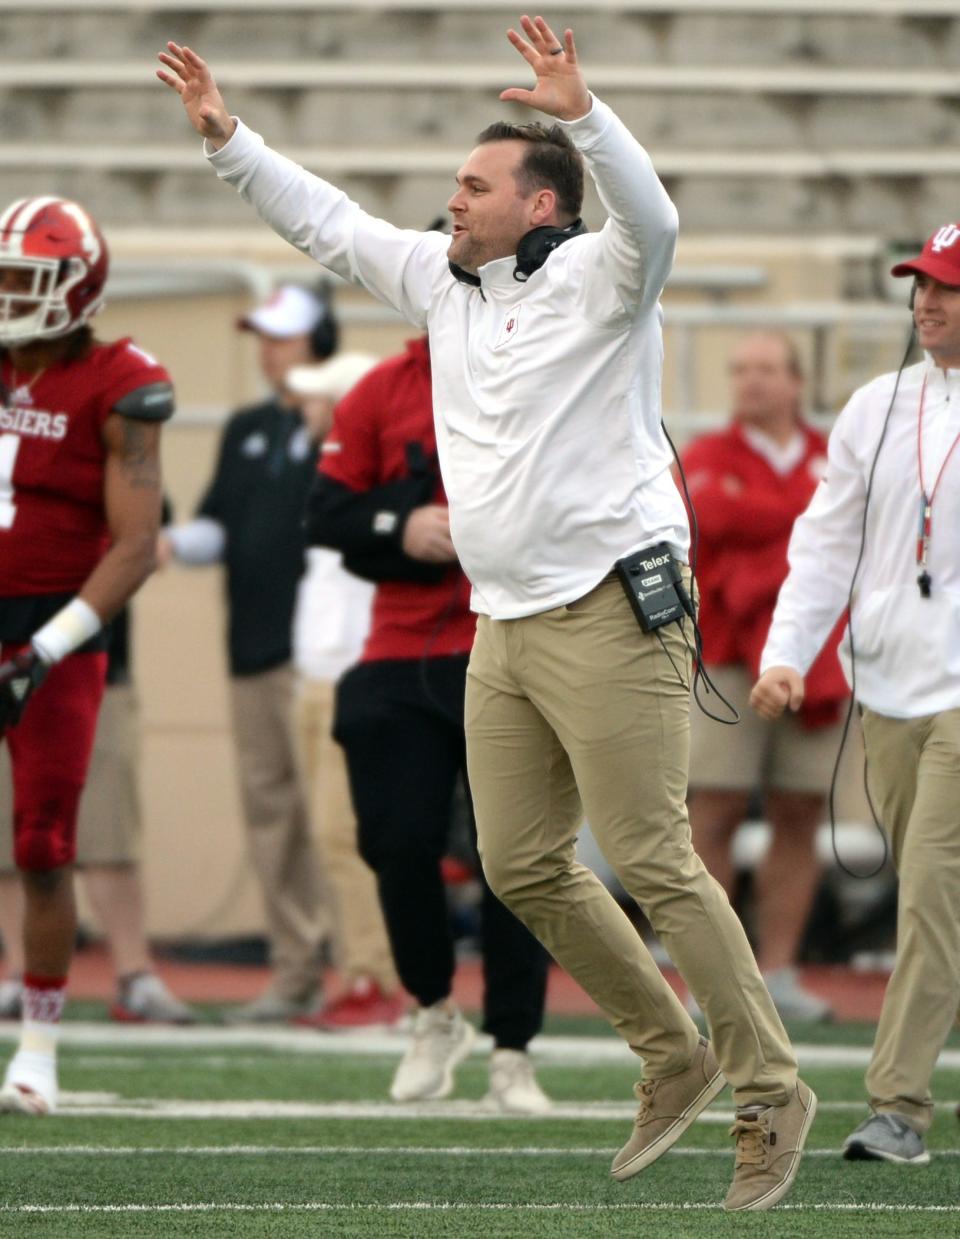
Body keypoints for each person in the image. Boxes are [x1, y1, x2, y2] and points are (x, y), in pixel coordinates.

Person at [158, 19, 814, 1209]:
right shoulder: (441, 282)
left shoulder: (606, 277)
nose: (449, 201)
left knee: (655, 856)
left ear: (545, 205)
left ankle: (770, 1085)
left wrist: (583, 114)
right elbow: (330, 221)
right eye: (455, 182)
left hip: (616, 607)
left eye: (474, 184)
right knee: (517, 864)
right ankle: (675, 1054)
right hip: (503, 621)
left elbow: (655, 222)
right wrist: (230, 144)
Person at [752, 223, 960, 1166]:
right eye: (921, 284)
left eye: (948, 289)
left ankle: (899, 1106)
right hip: (889, 690)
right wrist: (788, 650)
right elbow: (826, 542)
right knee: (935, 893)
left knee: (931, 893)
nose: (928, 302)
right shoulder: (875, 406)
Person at [308, 335, 551, 1111]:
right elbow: (328, 511)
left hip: (515, 637)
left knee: (515, 856)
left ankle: (514, 1047)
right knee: (395, 838)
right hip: (404, 643)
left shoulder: (549, 366)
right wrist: (401, 522)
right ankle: (434, 1009)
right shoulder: (381, 388)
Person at [0, 195, 174, 1114]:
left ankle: (37, 1046)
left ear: (78, 288)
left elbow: (137, 544)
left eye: (25, 279)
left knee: (42, 845)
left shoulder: (120, 383)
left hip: (55, 628)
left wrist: (43, 648)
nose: (9, 296)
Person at [159, 284, 336, 1023]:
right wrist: (156, 542)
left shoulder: (348, 420)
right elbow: (217, 530)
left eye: (283, 337)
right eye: (263, 337)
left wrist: (326, 426)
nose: (268, 350)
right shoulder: (246, 428)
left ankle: (366, 968)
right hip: (255, 647)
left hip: (325, 651)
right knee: (273, 816)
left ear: (317, 343)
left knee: (335, 818)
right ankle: (295, 970)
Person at [682, 331, 849, 1022]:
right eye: (740, 369)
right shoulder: (708, 455)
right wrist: (802, 518)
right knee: (712, 807)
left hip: (817, 659)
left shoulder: (831, 453)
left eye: (765, 370)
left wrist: (757, 520)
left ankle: (777, 969)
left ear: (796, 382)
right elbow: (705, 518)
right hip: (725, 656)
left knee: (799, 811)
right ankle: (712, 976)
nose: (750, 382)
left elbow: (852, 532)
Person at [0, 596, 197, 1025]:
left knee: (108, 831)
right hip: (5, 663)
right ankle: (20, 973)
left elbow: (140, 553)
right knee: (10, 834)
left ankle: (134, 974)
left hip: (88, 666)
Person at [284, 352, 406, 1030]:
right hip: (317, 671)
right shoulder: (334, 480)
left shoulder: (374, 480)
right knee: (329, 832)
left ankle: (377, 974)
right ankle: (358, 967)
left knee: (344, 831)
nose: (307, 412)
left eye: (321, 401)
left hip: (349, 672)